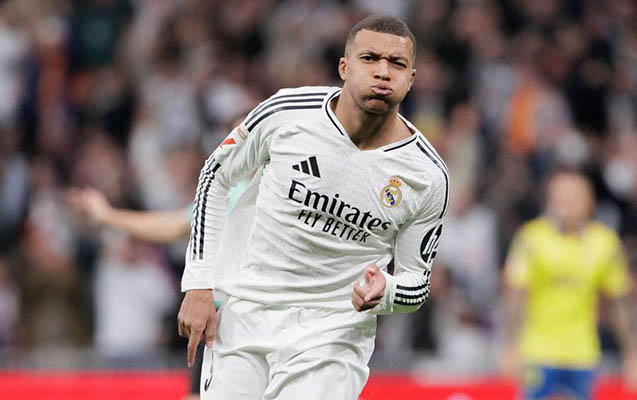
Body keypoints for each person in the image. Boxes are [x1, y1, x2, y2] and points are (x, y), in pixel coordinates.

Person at [177, 15, 449, 400]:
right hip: (247, 314)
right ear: (344, 67)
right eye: (370, 58)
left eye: (397, 63)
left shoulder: (426, 175)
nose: (383, 72)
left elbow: (416, 281)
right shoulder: (287, 113)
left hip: (332, 338)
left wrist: (387, 290)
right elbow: (214, 178)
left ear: (411, 79)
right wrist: (199, 283)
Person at [502, 170, 637, 400]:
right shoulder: (531, 239)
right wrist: (509, 346)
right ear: (550, 199)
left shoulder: (605, 243)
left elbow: (620, 303)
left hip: (583, 353)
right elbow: (516, 295)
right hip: (539, 351)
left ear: (590, 201)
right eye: (561, 196)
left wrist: (632, 353)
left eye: (575, 197)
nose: (567, 204)